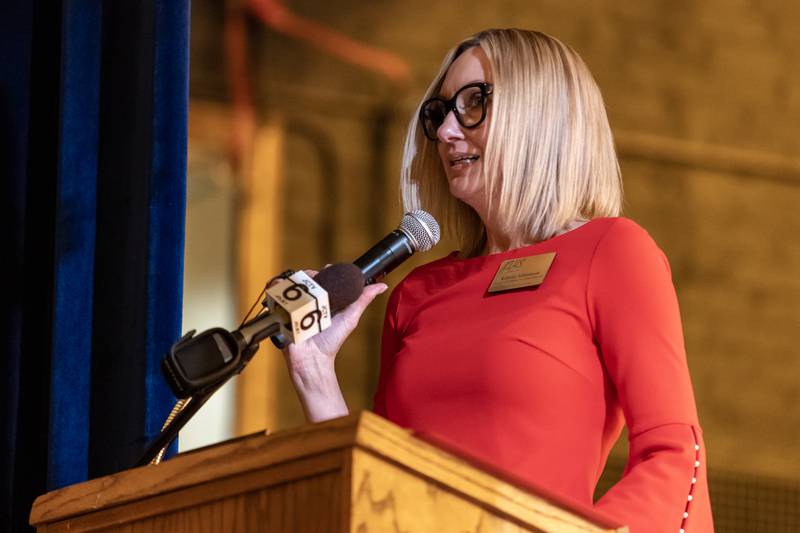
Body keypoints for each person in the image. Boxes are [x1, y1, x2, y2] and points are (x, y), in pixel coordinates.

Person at [282, 28, 714, 532]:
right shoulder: (416, 293)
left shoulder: (611, 252)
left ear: (541, 113)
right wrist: (314, 373)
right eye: (439, 112)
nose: (446, 131)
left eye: (474, 103)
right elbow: (376, 494)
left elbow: (675, 455)